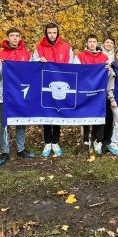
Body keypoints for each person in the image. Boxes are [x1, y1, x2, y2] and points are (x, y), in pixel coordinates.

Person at [32, 22, 76, 157]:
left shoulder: (66, 47)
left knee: (57, 112)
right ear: (46, 33)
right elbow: (32, 65)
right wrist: (39, 61)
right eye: (49, 33)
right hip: (45, 85)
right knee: (46, 112)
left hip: (60, 86)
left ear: (58, 33)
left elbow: (71, 65)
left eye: (54, 33)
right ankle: (47, 142)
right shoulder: (39, 48)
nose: (52, 35)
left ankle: (55, 142)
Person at [0, 27, 33, 165]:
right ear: (7, 37)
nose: (15, 38)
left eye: (17, 35)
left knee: (21, 122)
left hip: (22, 94)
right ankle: (5, 152)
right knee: (5, 124)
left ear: (20, 38)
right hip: (5, 95)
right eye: (12, 36)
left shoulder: (27, 55)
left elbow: (32, 73)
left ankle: (21, 149)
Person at [77, 34, 108, 154]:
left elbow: (108, 73)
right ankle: (85, 140)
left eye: (94, 41)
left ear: (97, 43)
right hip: (84, 90)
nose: (92, 44)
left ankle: (98, 140)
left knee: (99, 115)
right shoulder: (80, 56)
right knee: (85, 114)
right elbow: (77, 71)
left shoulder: (104, 57)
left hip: (99, 91)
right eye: (89, 41)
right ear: (86, 43)